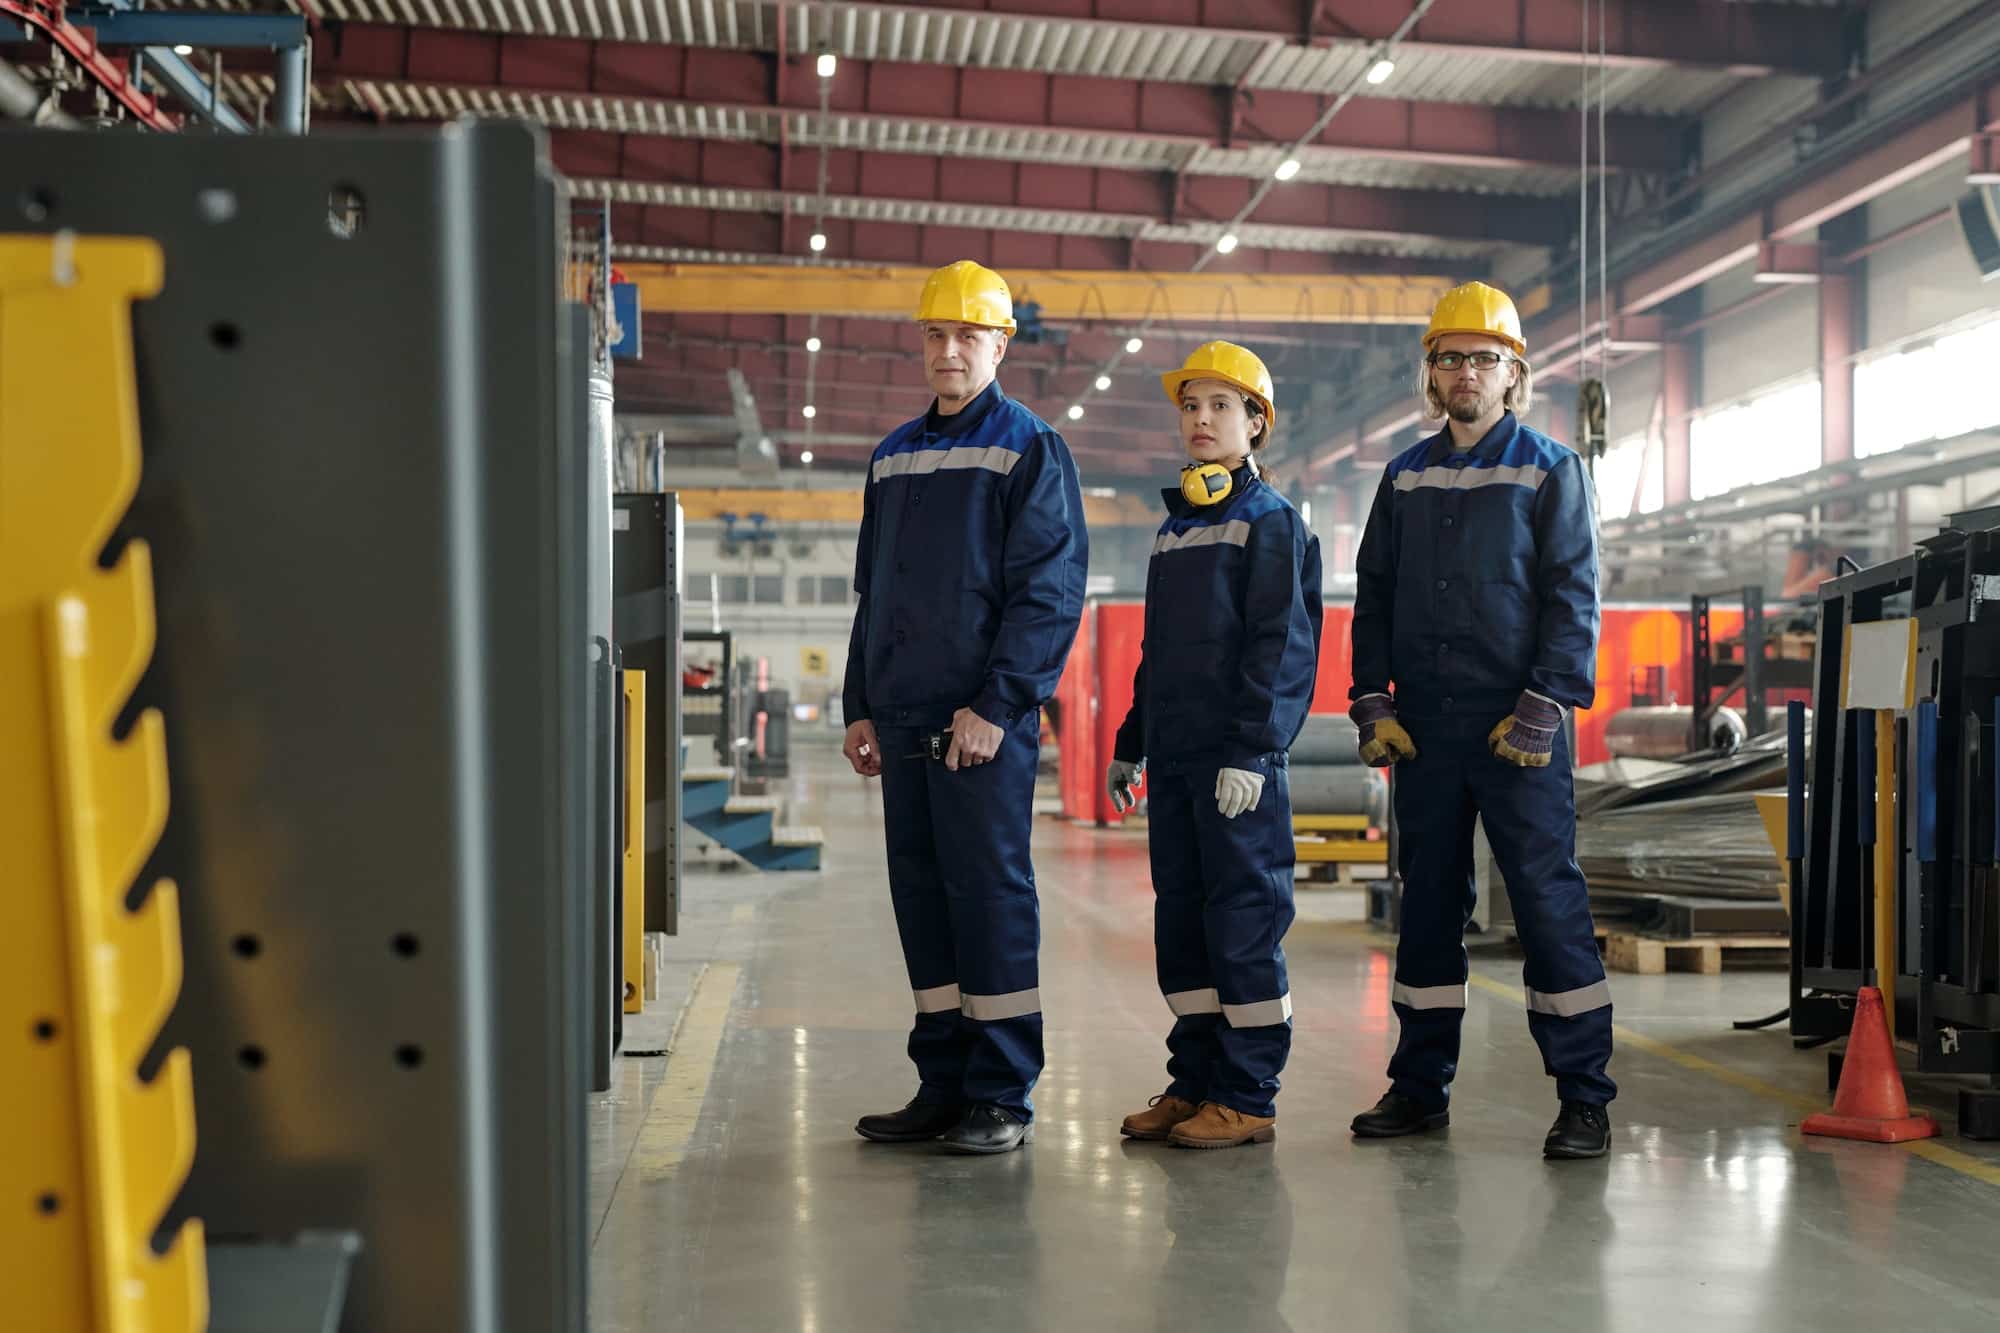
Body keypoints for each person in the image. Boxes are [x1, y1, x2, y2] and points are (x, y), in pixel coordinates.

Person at [1345, 281, 1614, 1159]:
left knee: (1545, 902)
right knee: (1425, 908)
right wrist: (1371, 698)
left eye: (1484, 358)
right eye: (1451, 357)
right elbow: (1374, 596)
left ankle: (1583, 1095)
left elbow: (1574, 594)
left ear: (1514, 374)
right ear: (1433, 373)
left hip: (1518, 730)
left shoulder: (1549, 466)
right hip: (1425, 729)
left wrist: (1545, 705)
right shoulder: (1406, 474)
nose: (1467, 371)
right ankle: (1420, 1085)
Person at [841, 260, 1088, 1155]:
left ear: (1000, 346)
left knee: (987, 896)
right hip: (901, 717)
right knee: (922, 897)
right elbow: (876, 592)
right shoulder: (893, 454)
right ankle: (942, 1080)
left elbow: (1048, 593)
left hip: (979, 723)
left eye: (968, 337)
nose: (949, 351)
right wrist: (858, 704)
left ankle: (1000, 1092)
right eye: (936, 336)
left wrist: (1001, 704)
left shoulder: (1029, 448)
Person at [1105, 341, 1323, 1150]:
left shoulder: (1271, 523)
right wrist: (1133, 741)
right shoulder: (1174, 528)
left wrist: (1253, 749)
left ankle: (1247, 1093)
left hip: (1238, 765)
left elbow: (1282, 646)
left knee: (1243, 921)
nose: (1201, 419)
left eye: (1220, 406)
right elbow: (1157, 652)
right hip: (1179, 759)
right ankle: (1194, 1079)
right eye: (1190, 406)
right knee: (1185, 924)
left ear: (1255, 424)